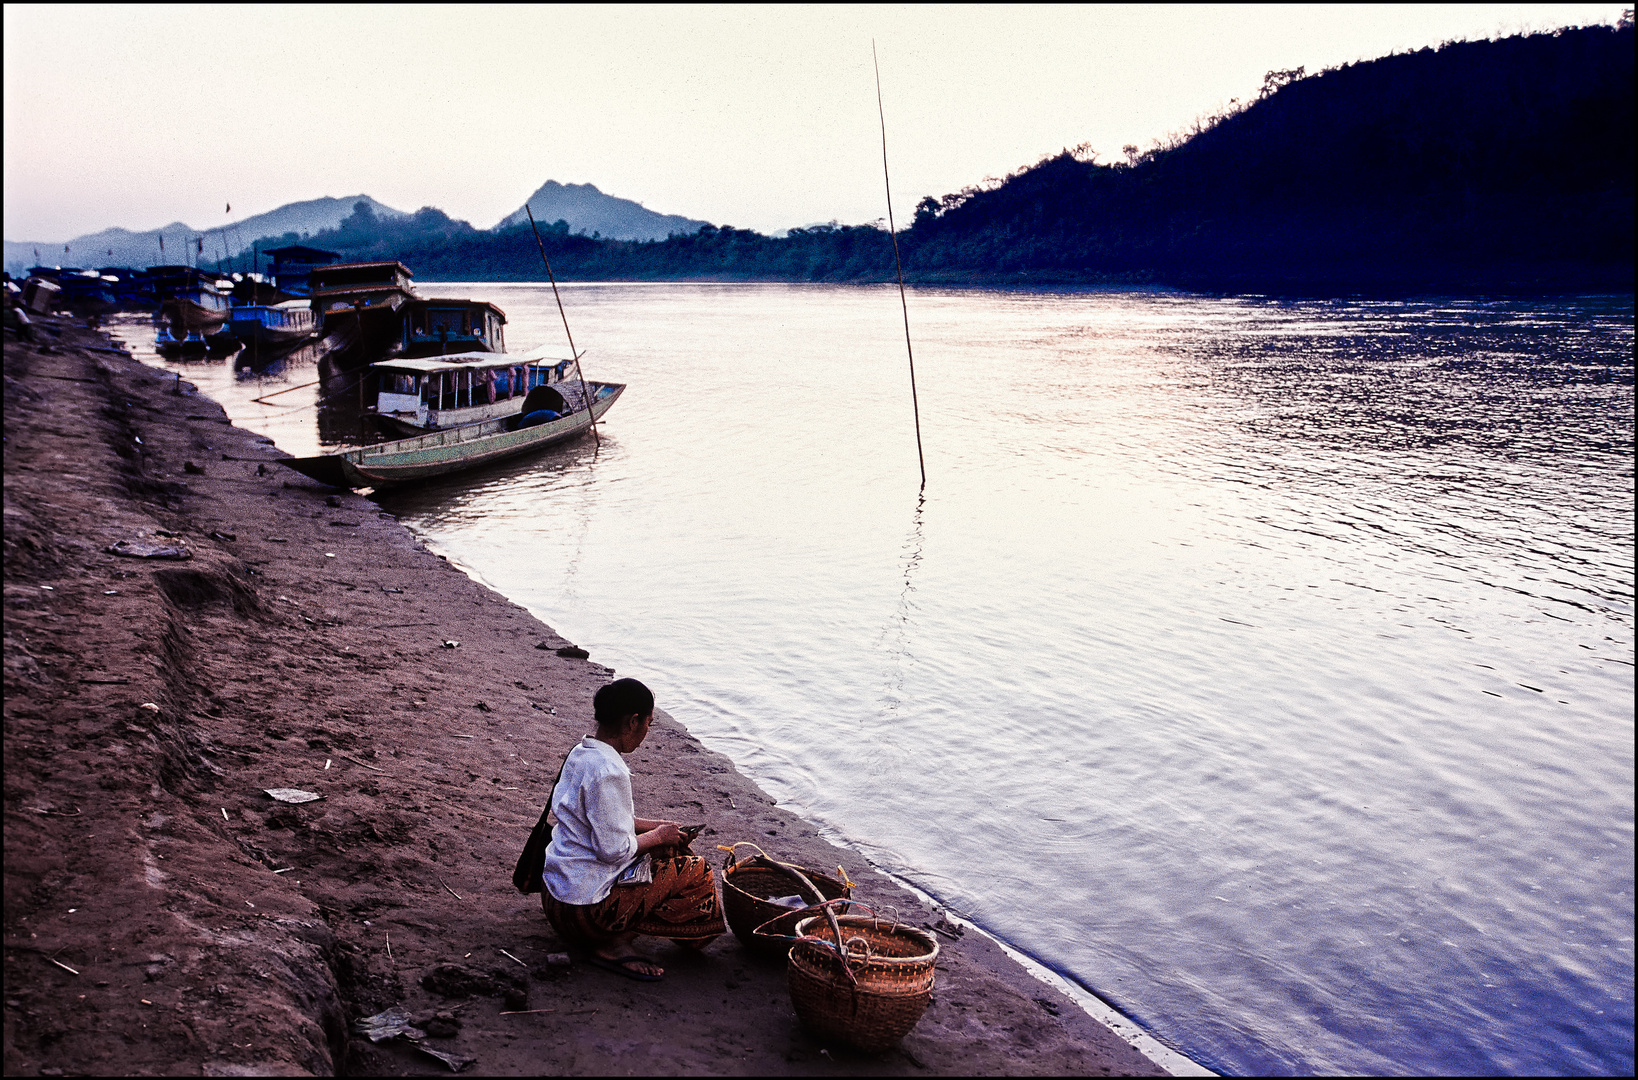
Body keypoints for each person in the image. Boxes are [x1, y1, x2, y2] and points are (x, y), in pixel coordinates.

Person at [540, 678, 725, 980]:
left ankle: (616, 935)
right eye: (648, 725)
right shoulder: (610, 771)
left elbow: (598, 819)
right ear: (633, 722)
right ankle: (614, 944)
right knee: (696, 869)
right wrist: (657, 837)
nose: (646, 734)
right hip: (584, 914)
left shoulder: (582, 753)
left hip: (555, 898)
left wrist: (660, 829)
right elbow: (612, 850)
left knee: (668, 845)